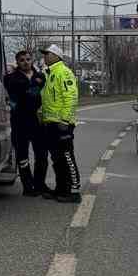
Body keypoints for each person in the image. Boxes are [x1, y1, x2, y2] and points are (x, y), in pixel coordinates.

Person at [39, 44, 81, 203]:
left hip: (62, 124)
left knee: (67, 157)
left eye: (48, 54)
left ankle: (74, 191)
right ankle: (61, 189)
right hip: (50, 123)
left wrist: (65, 120)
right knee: (57, 159)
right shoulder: (48, 73)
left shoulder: (64, 72)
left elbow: (71, 97)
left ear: (57, 56)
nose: (45, 56)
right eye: (44, 54)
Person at [3, 49, 48, 197]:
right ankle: (28, 187)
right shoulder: (10, 78)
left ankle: (40, 185)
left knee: (41, 155)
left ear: (32, 60)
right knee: (22, 156)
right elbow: (20, 93)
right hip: (19, 121)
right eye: (22, 60)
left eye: (28, 59)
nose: (25, 62)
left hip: (37, 121)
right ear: (17, 62)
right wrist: (29, 91)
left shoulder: (40, 76)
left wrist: (28, 92)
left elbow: (35, 92)